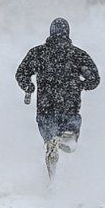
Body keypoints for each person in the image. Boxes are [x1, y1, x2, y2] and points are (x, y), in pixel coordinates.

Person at [15, 18, 100, 178]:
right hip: (70, 108)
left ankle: (52, 177)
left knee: (49, 140)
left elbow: (21, 73)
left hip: (45, 109)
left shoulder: (38, 53)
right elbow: (95, 79)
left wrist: (28, 86)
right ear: (67, 33)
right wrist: (81, 85)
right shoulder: (77, 55)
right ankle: (63, 140)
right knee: (71, 142)